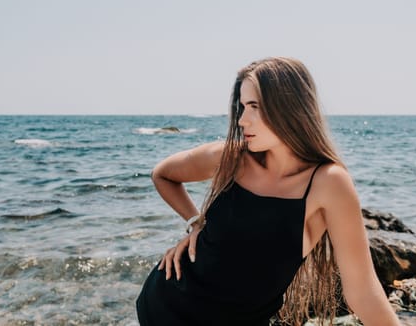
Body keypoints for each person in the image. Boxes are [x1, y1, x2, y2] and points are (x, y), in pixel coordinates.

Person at [136, 57, 400, 325]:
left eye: (254, 107)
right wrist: (195, 222)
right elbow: (163, 174)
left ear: (290, 107)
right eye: (242, 107)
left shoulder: (328, 183)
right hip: (164, 306)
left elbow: (363, 292)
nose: (242, 120)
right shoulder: (231, 158)